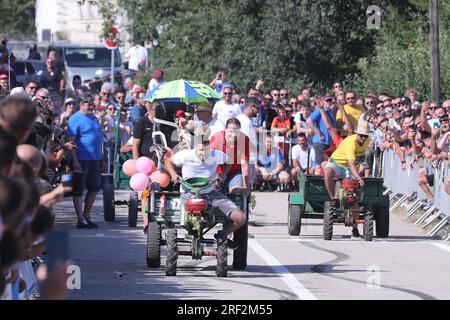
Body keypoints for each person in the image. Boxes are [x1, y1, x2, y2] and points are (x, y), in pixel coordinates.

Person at [164, 137, 246, 249]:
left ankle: (223, 235)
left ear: (210, 148)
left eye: (205, 150)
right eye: (200, 150)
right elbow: (168, 161)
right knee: (185, 217)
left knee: (240, 218)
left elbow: (228, 161)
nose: (203, 153)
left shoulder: (216, 155)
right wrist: (173, 174)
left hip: (210, 192)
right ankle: (189, 228)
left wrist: (222, 174)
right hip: (189, 191)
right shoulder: (185, 155)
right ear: (194, 148)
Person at [323, 123, 371, 238]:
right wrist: (359, 177)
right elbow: (351, 163)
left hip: (351, 165)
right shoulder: (351, 143)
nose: (363, 138)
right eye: (361, 135)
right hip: (338, 161)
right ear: (357, 134)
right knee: (327, 172)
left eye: (365, 136)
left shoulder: (368, 140)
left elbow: (362, 158)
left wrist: (362, 172)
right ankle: (333, 198)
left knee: (352, 195)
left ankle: (355, 229)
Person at [66, 93, 102, 229]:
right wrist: (75, 161)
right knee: (79, 190)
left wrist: (101, 158)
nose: (92, 106)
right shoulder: (75, 118)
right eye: (89, 104)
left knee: (94, 188)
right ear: (82, 104)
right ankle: (80, 219)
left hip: (95, 159)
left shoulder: (93, 118)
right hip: (81, 159)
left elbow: (98, 139)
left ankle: (87, 216)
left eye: (93, 103)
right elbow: (70, 141)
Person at [210, 118, 251, 197]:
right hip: (218, 172)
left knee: (236, 189)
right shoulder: (216, 138)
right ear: (225, 130)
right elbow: (209, 160)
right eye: (231, 131)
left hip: (235, 172)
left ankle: (235, 206)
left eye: (237, 131)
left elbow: (245, 165)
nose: (234, 134)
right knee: (213, 191)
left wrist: (247, 186)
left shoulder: (244, 139)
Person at [132, 102, 155, 233]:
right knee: (145, 194)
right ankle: (146, 223)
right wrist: (137, 164)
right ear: (150, 109)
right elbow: (135, 144)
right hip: (144, 163)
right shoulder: (141, 123)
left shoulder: (162, 123)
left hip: (158, 162)